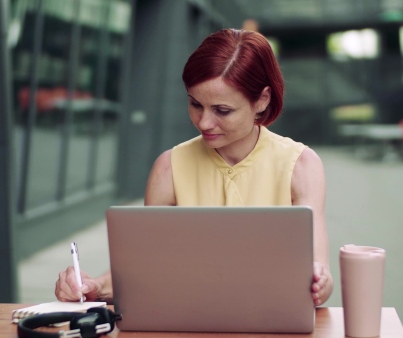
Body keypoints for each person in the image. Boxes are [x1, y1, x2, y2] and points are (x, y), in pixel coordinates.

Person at [55, 28, 333, 306]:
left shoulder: (301, 166)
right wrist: (94, 287)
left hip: (274, 321)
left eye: (222, 110)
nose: (204, 123)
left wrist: (320, 283)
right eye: (195, 104)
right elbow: (146, 268)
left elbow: (319, 272)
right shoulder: (169, 168)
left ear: (262, 99)